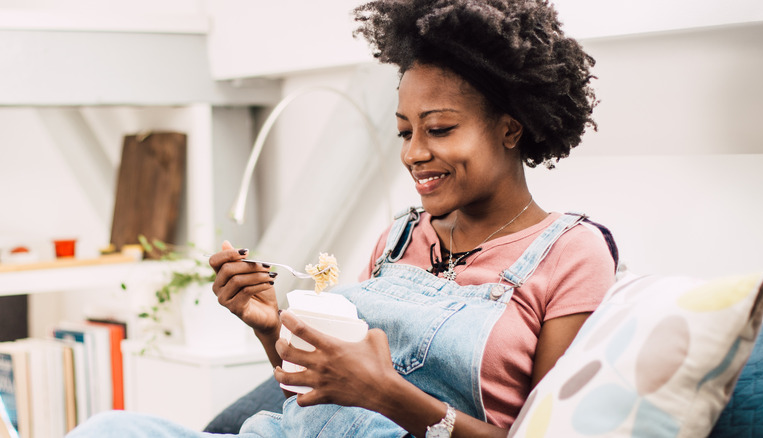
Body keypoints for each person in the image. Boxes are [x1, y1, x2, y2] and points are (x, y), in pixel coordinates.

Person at [67, 0, 616, 437]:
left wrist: (387, 394)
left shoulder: (571, 252)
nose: (413, 153)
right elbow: (322, 402)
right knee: (106, 427)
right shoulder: (400, 237)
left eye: (439, 129)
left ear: (511, 129)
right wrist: (270, 328)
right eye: (405, 132)